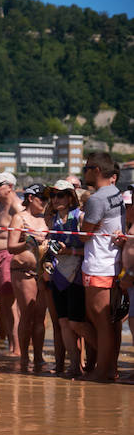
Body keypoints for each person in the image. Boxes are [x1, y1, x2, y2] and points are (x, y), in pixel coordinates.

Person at [80, 152, 124, 382]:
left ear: (97, 170)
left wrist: (82, 223)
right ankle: (110, 369)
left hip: (98, 265)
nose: (84, 171)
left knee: (101, 320)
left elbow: (84, 234)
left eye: (87, 167)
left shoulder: (97, 199)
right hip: (112, 262)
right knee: (112, 322)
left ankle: (102, 372)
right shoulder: (116, 194)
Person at [6, 183, 49, 372]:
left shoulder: (48, 218)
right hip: (23, 272)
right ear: (31, 198)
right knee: (27, 316)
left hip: (44, 272)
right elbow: (10, 246)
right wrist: (27, 243)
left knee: (40, 318)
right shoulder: (19, 218)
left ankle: (38, 357)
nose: (47, 202)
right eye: (43, 198)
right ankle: (24, 356)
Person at [0, 171, 22, 357]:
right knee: (2, 305)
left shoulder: (16, 206)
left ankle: (16, 348)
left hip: (7, 258)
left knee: (11, 306)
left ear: (10, 186)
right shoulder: (1, 206)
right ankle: (11, 345)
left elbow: (29, 226)